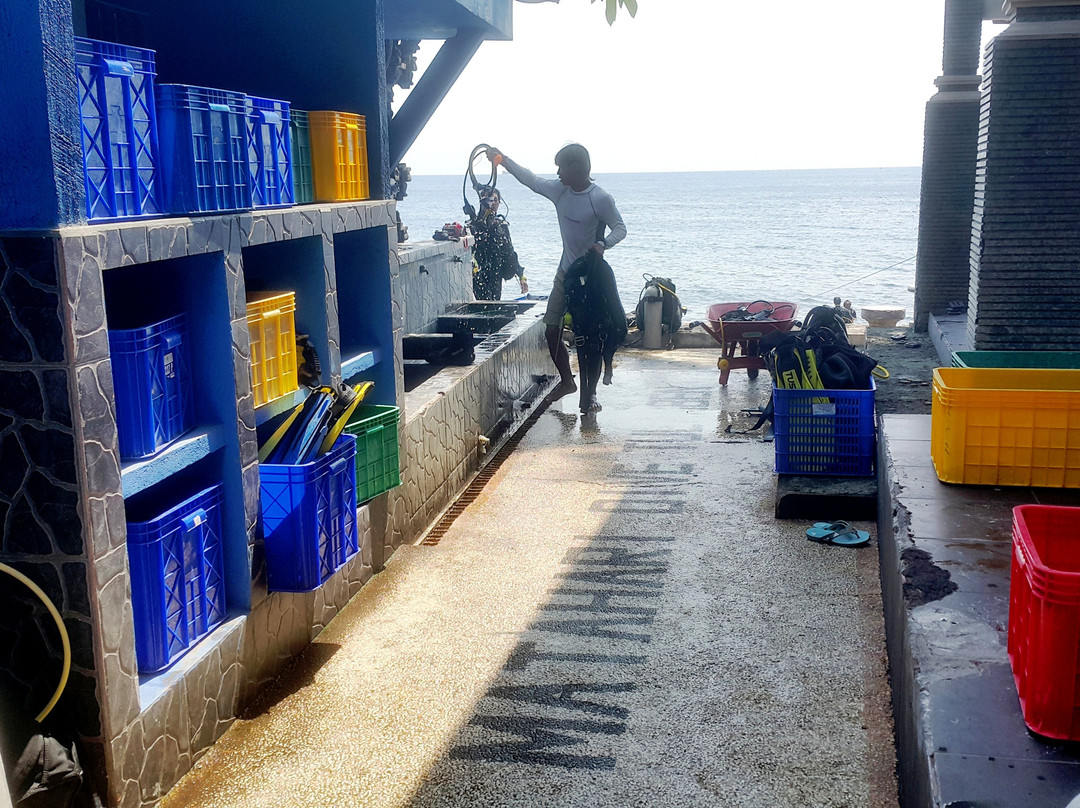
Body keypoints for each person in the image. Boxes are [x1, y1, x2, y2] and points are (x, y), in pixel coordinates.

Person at [486, 144, 626, 401]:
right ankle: (568, 381)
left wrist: (603, 244)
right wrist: (503, 160)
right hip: (566, 275)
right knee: (551, 330)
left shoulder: (600, 198)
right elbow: (531, 179)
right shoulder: (560, 191)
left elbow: (620, 228)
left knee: (590, 337)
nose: (559, 173)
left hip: (591, 279)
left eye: (562, 167)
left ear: (578, 167)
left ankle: (590, 393)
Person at [469, 188, 528, 301]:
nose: (493, 203)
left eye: (496, 200)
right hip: (478, 273)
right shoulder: (474, 224)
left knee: (495, 302)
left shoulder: (501, 225)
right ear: (482, 201)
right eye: (489, 199)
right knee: (483, 302)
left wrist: (521, 276)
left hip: (497, 273)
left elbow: (510, 252)